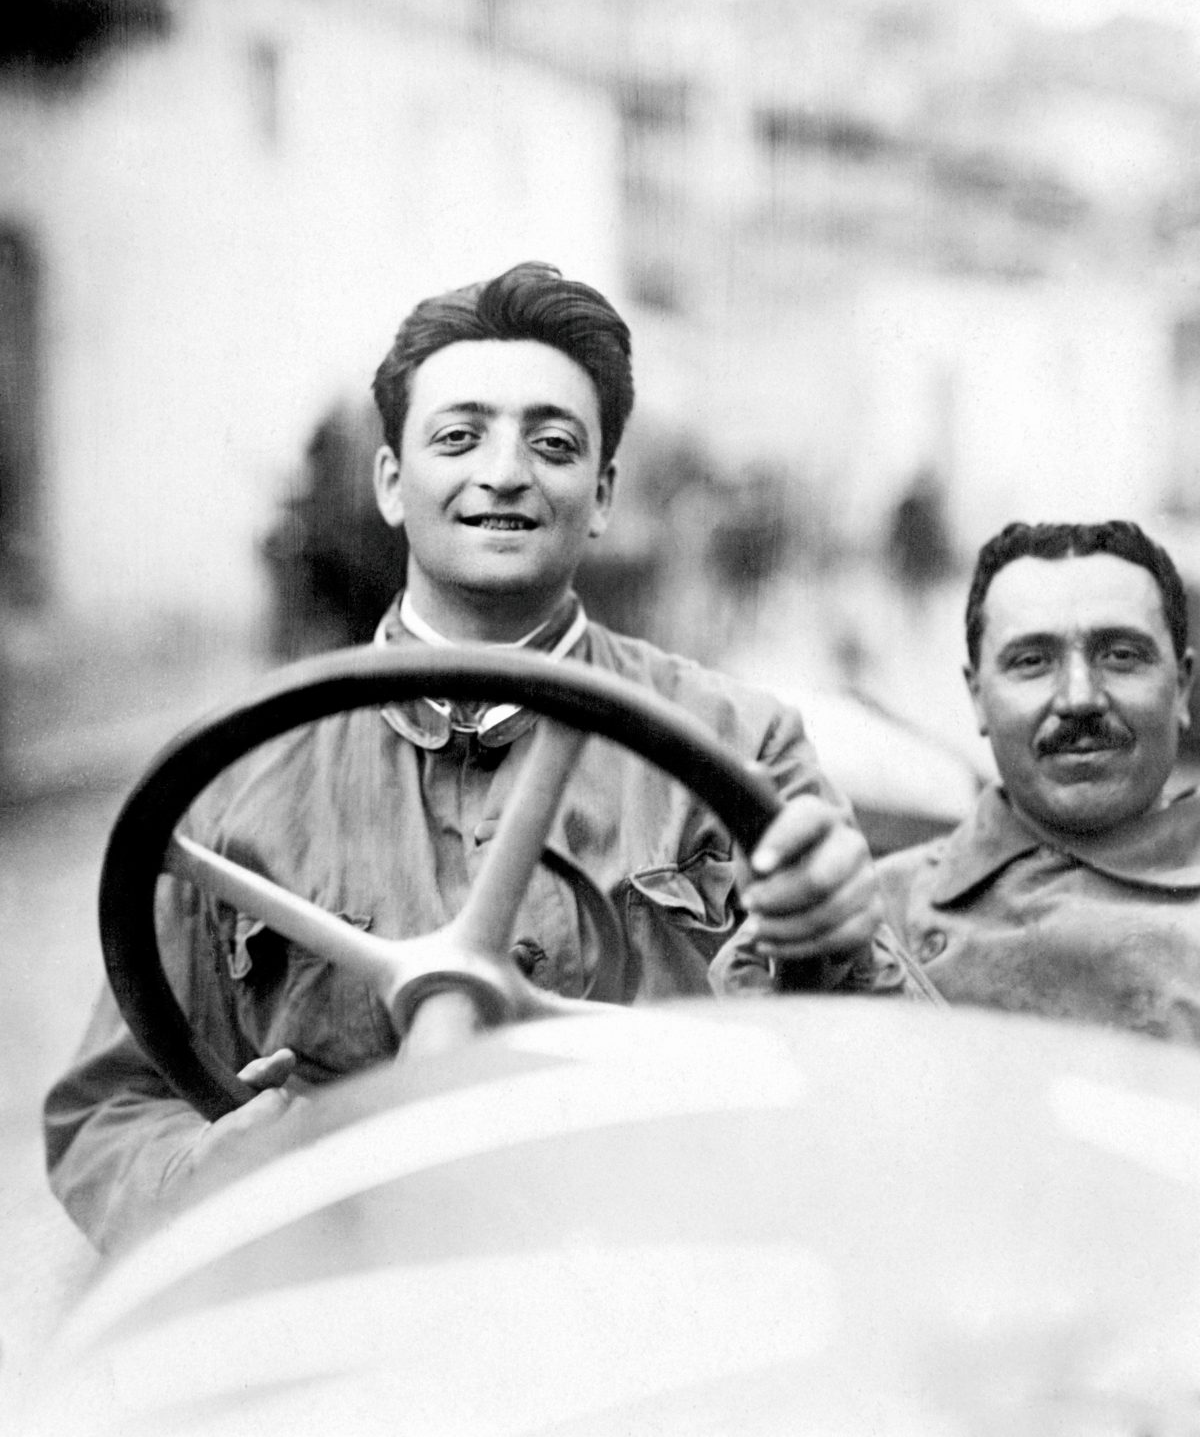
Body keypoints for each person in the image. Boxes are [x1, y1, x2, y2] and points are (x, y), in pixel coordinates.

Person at [46, 262, 890, 1251]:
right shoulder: (236, 776)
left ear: (604, 494)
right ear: (393, 484)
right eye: (458, 436)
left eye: (554, 443)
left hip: (654, 1282)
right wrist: (213, 1176)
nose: (503, 473)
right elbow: (108, 1115)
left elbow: (878, 1077)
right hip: (343, 1297)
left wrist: (832, 943)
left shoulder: (743, 745)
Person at [874, 519, 1200, 1043]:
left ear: (1181, 688)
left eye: (1120, 656)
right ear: (978, 696)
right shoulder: (873, 910)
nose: (1079, 698)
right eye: (1032, 662)